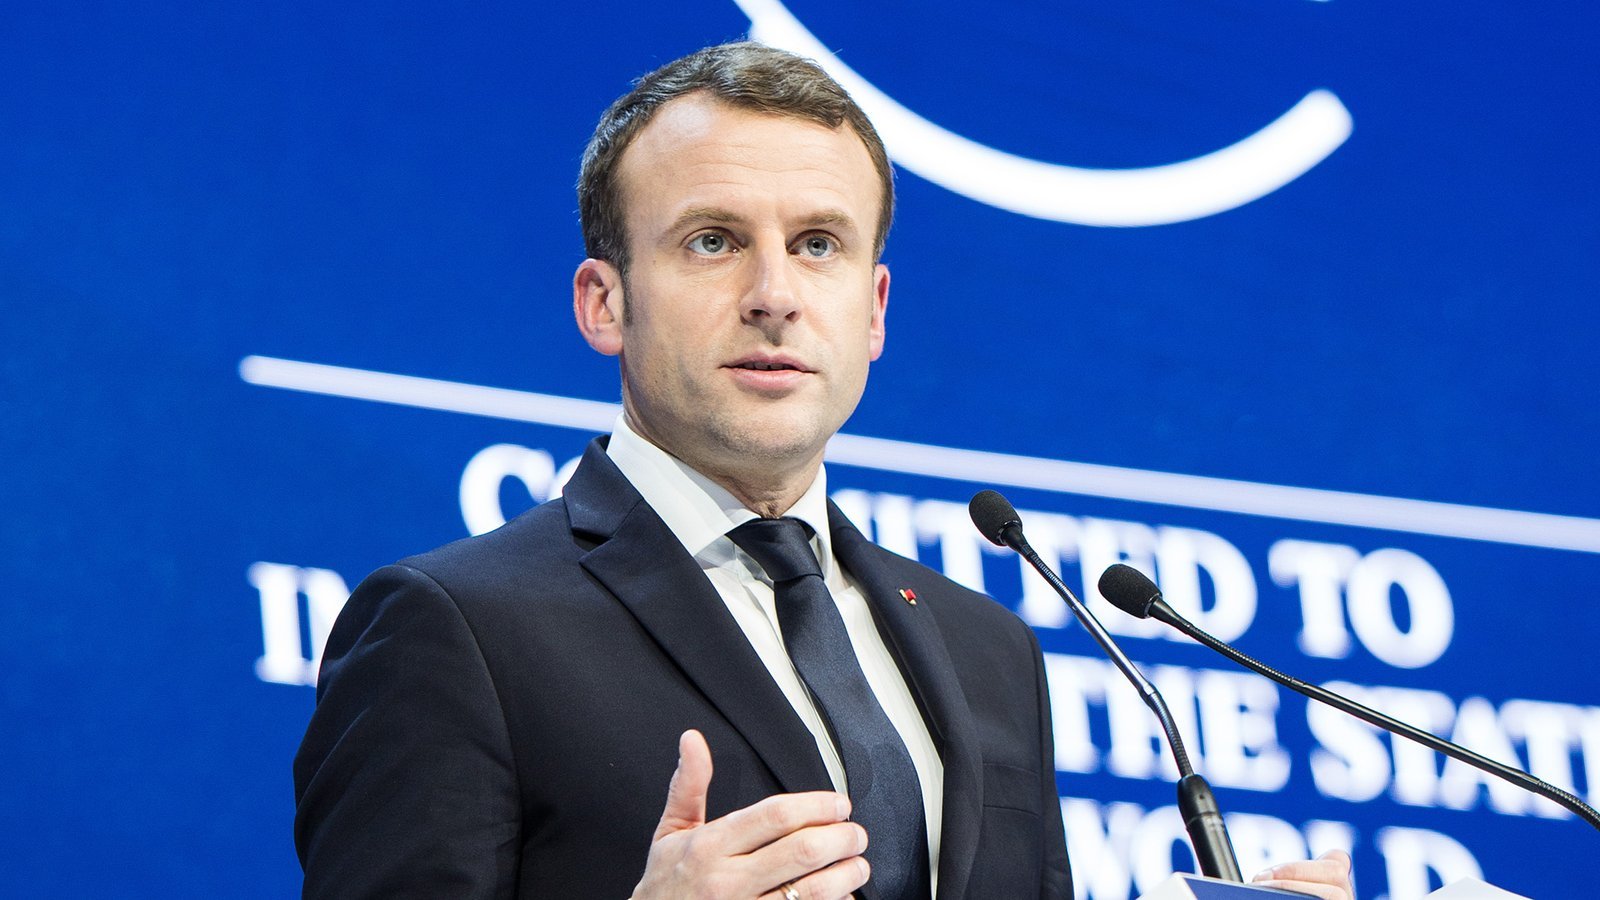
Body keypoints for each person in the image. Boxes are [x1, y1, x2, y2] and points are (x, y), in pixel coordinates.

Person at [293, 42, 1356, 900]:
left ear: (875, 309)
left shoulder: (984, 647)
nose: (774, 294)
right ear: (603, 303)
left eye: (818, 245)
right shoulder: (455, 629)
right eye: (712, 241)